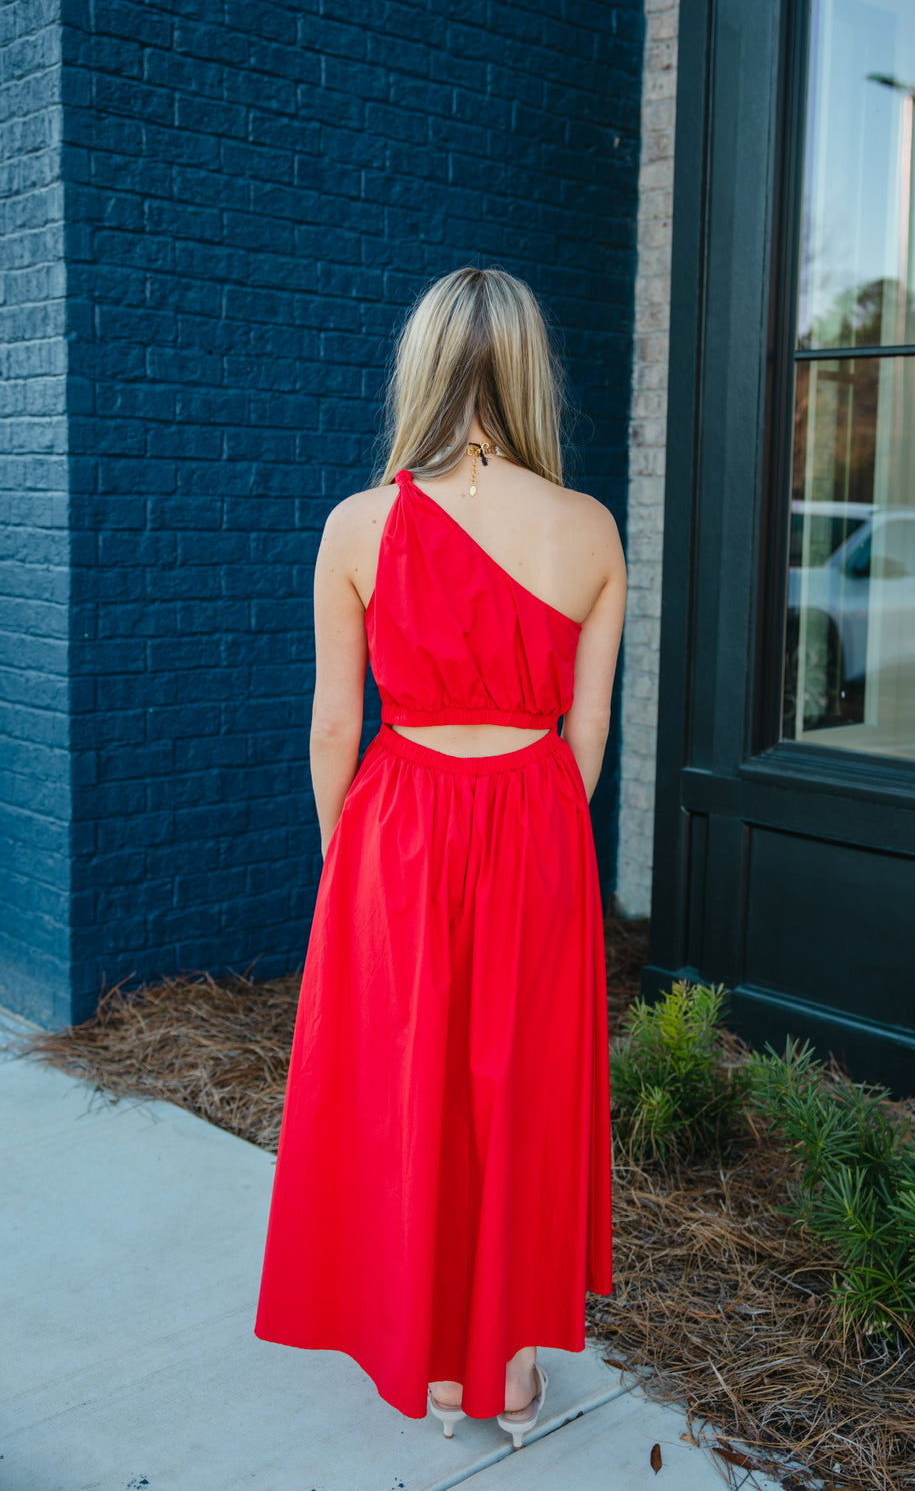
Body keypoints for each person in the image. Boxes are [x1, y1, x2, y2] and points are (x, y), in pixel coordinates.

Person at [254, 266, 627, 1448]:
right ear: (529, 376)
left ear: (419, 372)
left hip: (398, 821)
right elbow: (591, 734)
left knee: (407, 1089)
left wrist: (344, 867)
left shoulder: (357, 525)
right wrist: (546, 847)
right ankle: (507, 1369)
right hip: (534, 814)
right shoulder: (590, 530)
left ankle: (424, 1354)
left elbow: (330, 725)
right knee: (515, 1090)